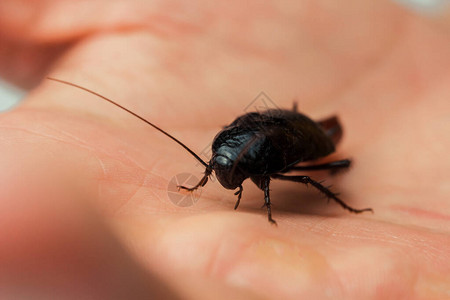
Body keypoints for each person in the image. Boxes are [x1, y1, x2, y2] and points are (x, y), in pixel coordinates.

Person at [0, 0, 449, 298]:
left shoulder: (263, 163)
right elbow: (230, 149)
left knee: (316, 172)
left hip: (311, 139)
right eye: (217, 170)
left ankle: (344, 204)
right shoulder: (225, 152)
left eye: (225, 172)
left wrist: (270, 203)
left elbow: (282, 165)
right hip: (277, 127)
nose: (221, 175)